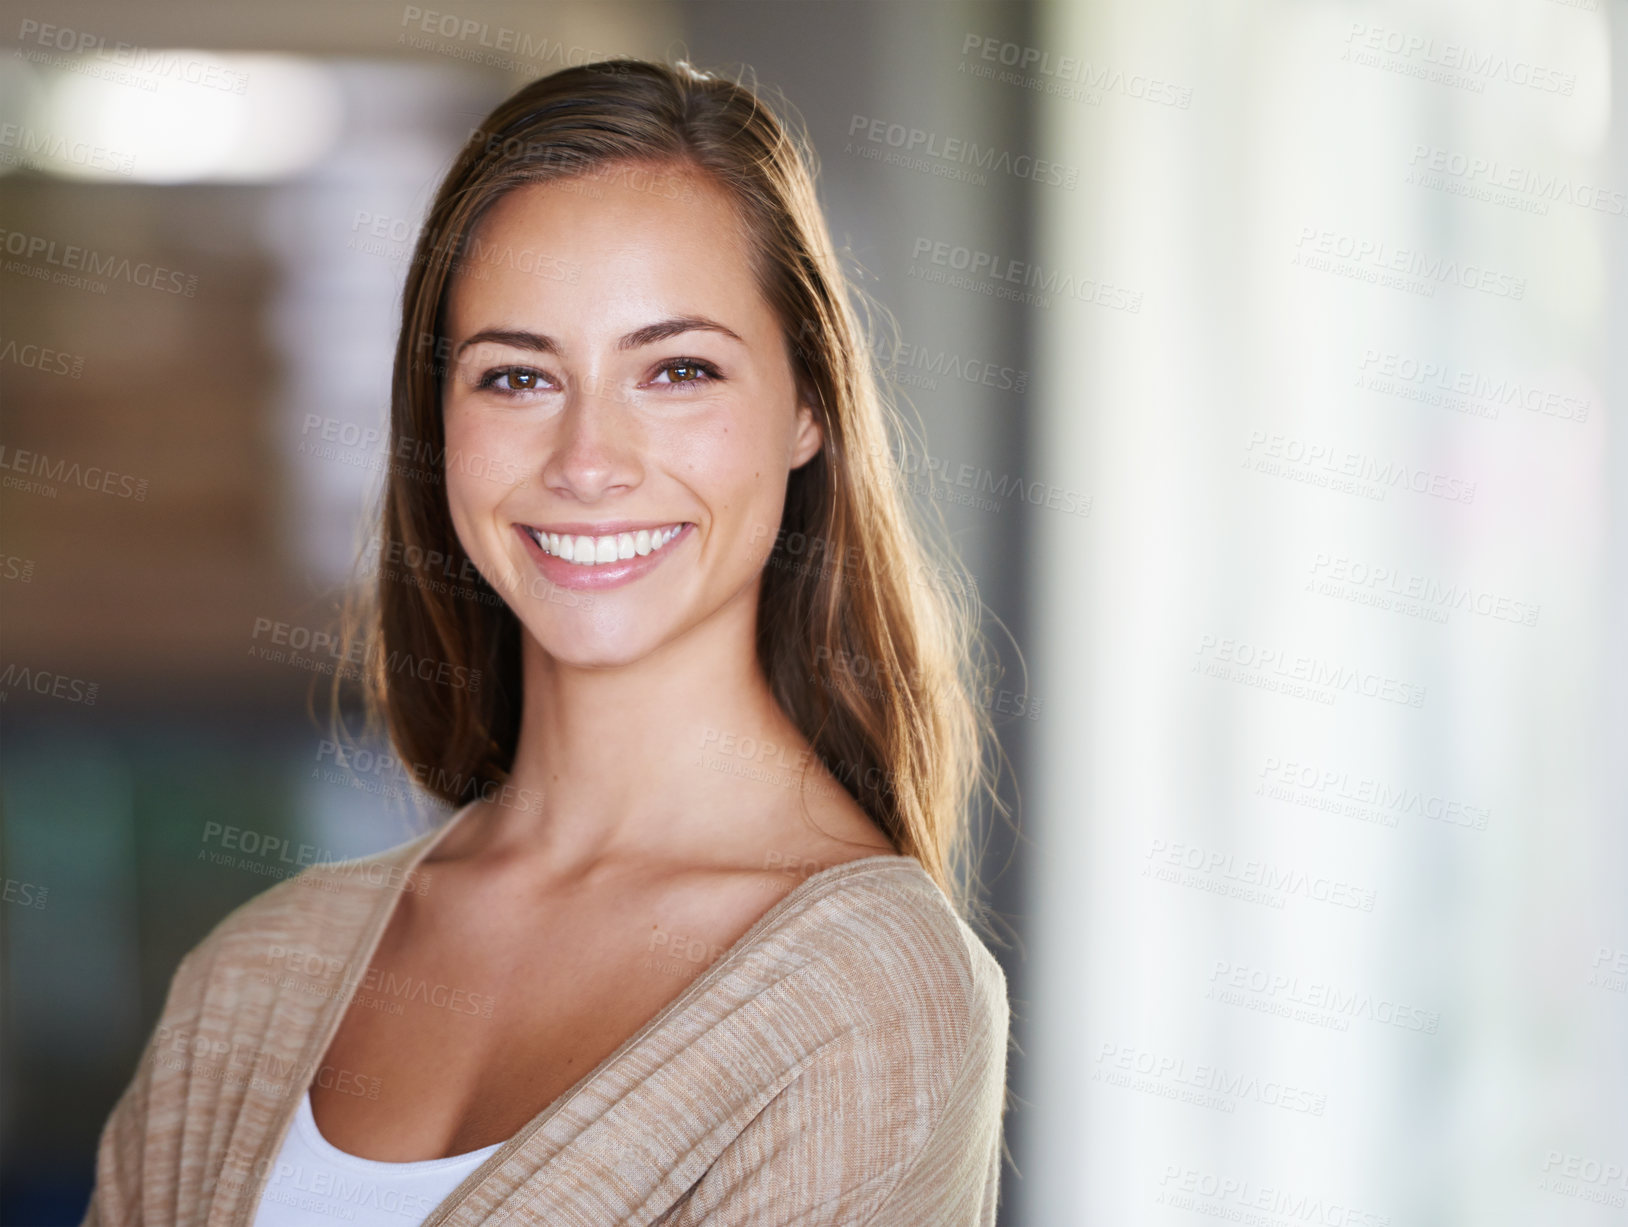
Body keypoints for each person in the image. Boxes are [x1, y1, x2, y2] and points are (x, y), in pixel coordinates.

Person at [81, 58, 1009, 1227]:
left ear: (806, 408)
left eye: (676, 369)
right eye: (516, 376)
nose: (584, 462)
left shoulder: (866, 992)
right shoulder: (254, 972)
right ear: (440, 426)